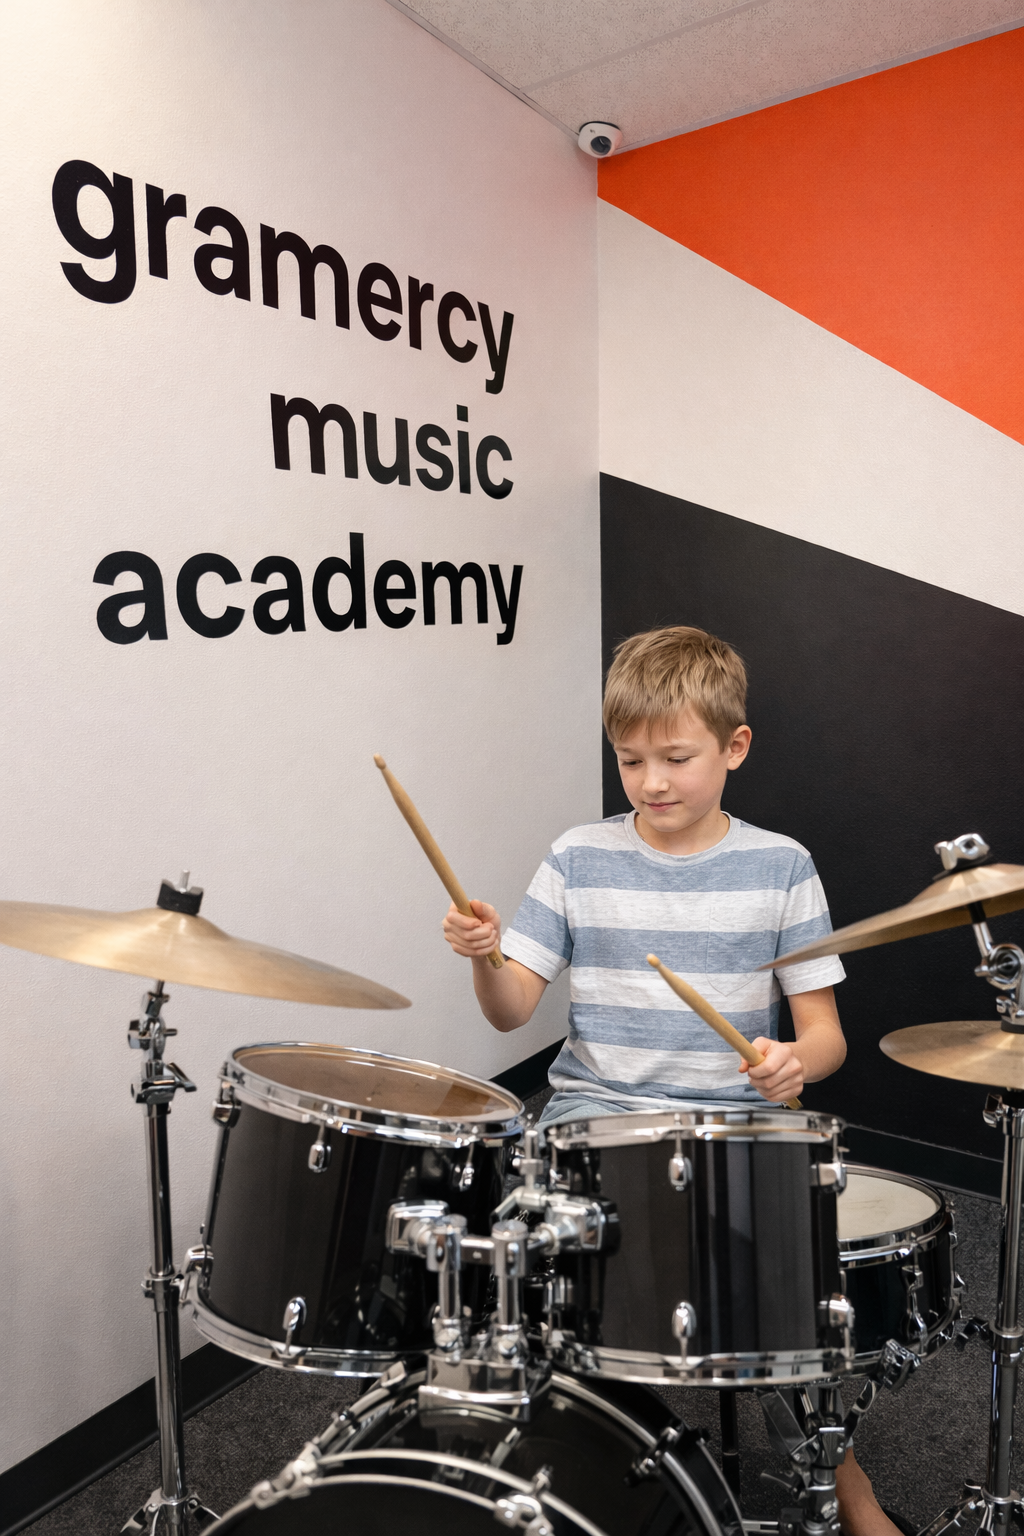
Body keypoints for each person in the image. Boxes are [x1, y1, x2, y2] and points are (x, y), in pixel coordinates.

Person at [442, 625, 900, 1536]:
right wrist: (487, 956)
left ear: (734, 749)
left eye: (677, 758)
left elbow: (825, 1038)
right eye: (630, 760)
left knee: (790, 1290)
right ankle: (575, 1462)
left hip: (733, 1122)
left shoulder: (782, 867)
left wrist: (789, 1064)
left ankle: (850, 1490)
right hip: (594, 1115)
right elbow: (509, 1011)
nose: (653, 782)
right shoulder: (578, 856)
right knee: (538, 1271)